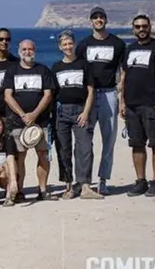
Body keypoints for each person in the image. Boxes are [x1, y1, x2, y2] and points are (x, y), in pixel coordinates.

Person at [75, 6, 127, 195]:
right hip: (88, 96)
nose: (98, 20)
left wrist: (122, 99)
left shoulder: (118, 44)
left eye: (101, 17)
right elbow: (76, 69)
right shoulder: (83, 45)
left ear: (106, 20)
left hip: (109, 94)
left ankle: (103, 180)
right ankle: (84, 182)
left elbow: (124, 71)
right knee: (84, 140)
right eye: (95, 17)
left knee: (109, 139)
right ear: (91, 21)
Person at [120, 14, 155, 197]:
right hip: (132, 106)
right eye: (137, 27)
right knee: (136, 144)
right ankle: (140, 181)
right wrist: (122, 101)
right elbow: (124, 76)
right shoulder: (129, 49)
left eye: (144, 26)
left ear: (149, 27)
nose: (141, 29)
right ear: (133, 29)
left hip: (152, 104)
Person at [3, 39, 57, 201]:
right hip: (17, 122)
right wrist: (22, 115)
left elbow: (48, 95)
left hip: (41, 122)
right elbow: (7, 96)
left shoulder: (43, 70)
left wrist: (34, 114)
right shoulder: (12, 70)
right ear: (19, 51)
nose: (27, 52)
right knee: (20, 157)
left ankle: (42, 190)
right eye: (24, 49)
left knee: (43, 155)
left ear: (35, 50)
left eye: (30, 49)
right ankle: (19, 191)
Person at [52, 30, 103, 200]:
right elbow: (52, 94)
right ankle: (69, 186)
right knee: (64, 150)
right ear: (60, 47)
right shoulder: (56, 68)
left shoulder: (84, 65)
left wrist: (86, 112)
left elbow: (90, 91)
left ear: (74, 44)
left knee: (85, 148)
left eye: (70, 43)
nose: (68, 47)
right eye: (64, 44)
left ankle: (86, 186)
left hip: (80, 111)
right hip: (61, 113)